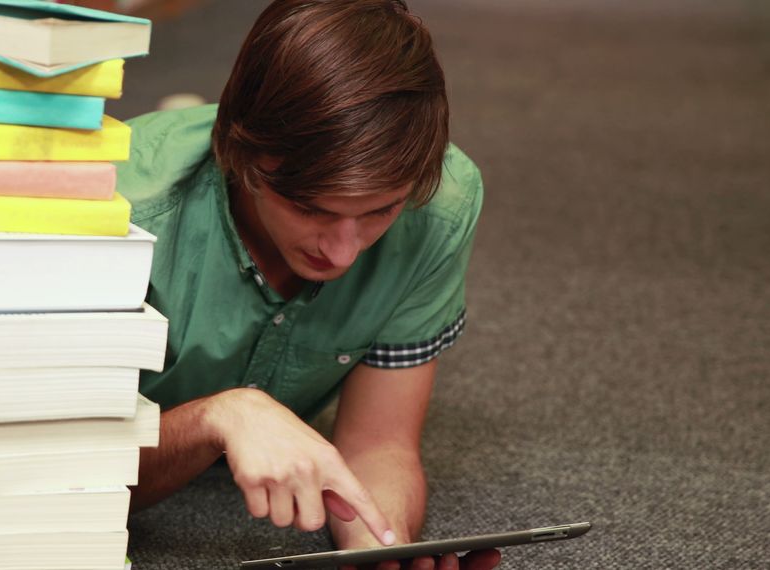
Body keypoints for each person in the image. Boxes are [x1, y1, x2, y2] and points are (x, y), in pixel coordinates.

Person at [117, 1, 499, 569]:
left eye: (378, 212)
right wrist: (219, 417)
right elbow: (50, 476)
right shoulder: (119, 212)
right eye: (311, 209)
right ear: (241, 159)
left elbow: (380, 444)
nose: (344, 251)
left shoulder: (440, 203)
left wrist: (378, 552)